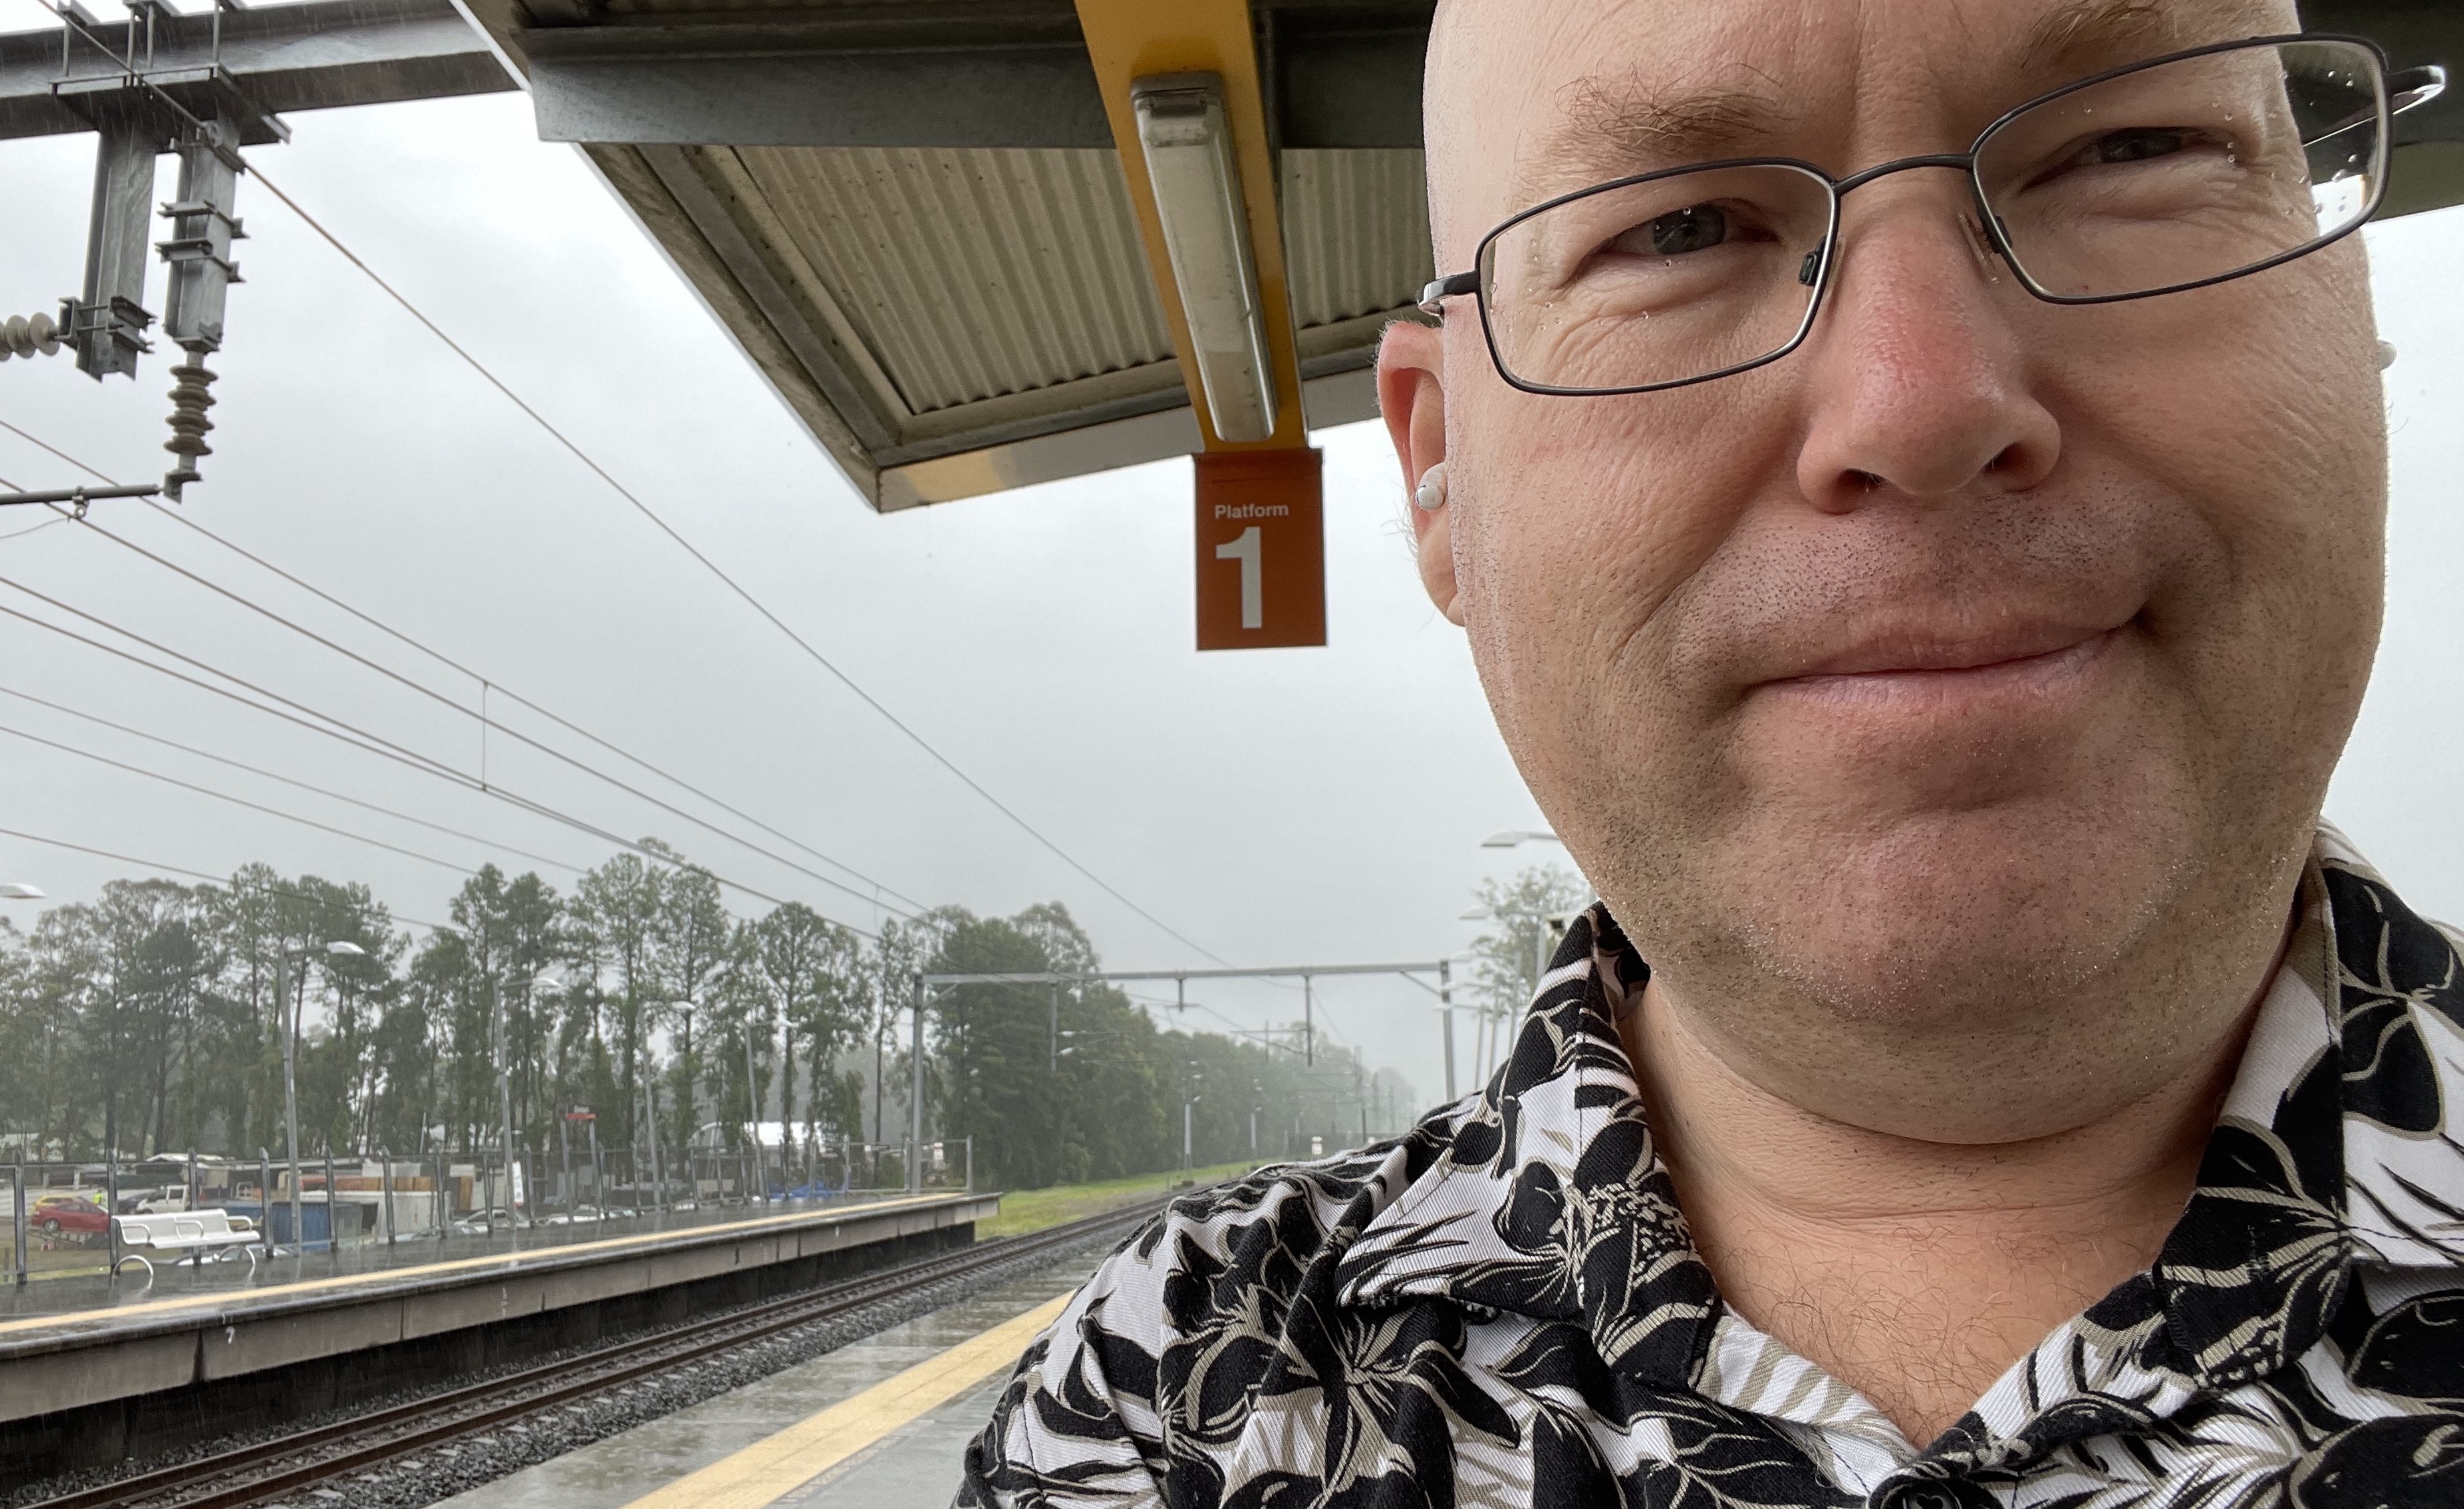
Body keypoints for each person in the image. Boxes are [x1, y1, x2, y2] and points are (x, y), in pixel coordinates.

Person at [960, 1, 2464, 1504]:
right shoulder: (1177, 1393)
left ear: (2353, 296)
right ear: (1439, 477)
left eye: (2133, 148)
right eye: (1679, 231)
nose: (1923, 399)